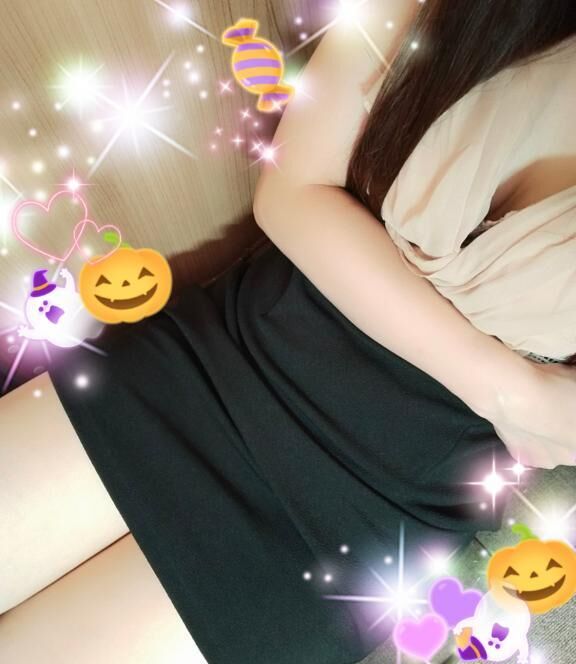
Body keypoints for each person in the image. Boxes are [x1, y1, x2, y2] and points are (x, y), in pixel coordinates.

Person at [1, 1, 576, 662]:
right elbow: (291, 190)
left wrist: (526, 398)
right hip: (219, 360)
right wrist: (510, 389)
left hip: (359, 519)